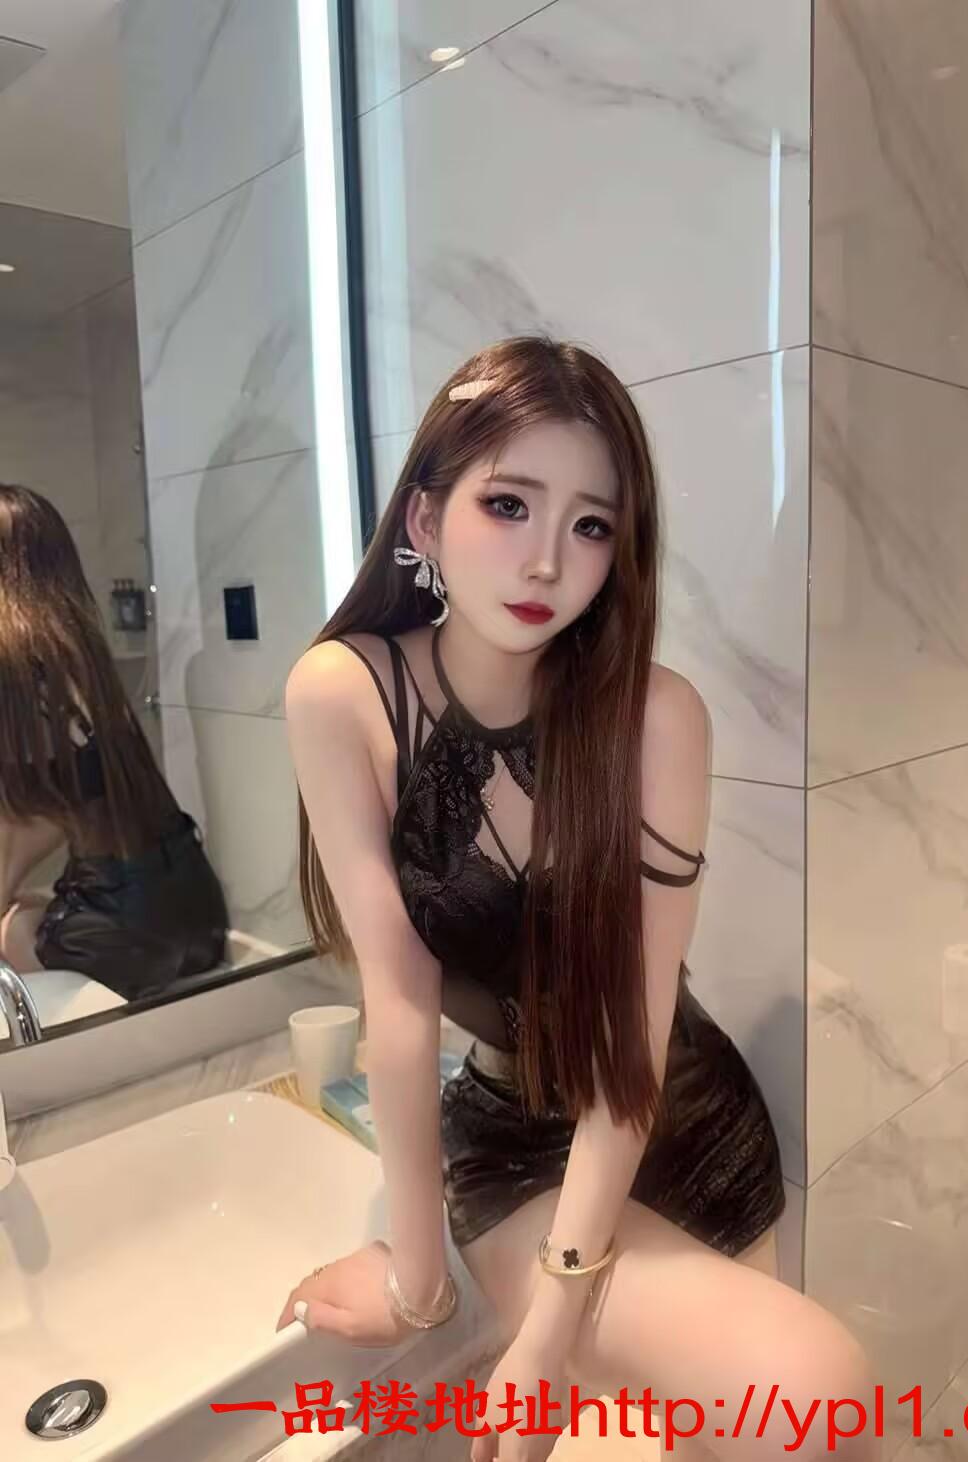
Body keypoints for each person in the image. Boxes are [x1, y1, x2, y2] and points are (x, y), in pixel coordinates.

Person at [278, 338, 877, 1460]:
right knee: (818, 1400)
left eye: (591, 525)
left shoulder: (658, 718)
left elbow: (631, 1035)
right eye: (507, 504)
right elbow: (399, 1005)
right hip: (518, 1146)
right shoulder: (346, 693)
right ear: (424, 520)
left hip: (686, 1117)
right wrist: (418, 1280)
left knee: (791, 1428)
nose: (547, 560)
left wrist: (550, 1336)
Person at [0, 483, 229, 1002]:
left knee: (13, 928)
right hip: (196, 910)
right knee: (30, 904)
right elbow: (69, 799)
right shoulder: (81, 661)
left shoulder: (15, 668)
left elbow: (20, 830)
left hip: (125, 933)